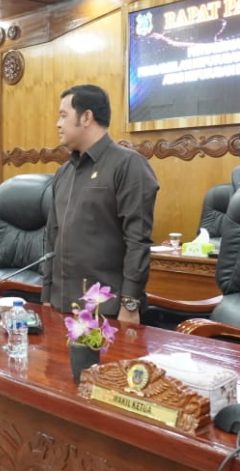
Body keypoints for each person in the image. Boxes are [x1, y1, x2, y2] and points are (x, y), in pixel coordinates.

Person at [42, 85, 159, 322]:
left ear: (86, 117)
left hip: (108, 312)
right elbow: (52, 236)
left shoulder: (128, 165)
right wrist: (46, 294)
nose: (58, 123)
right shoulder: (63, 172)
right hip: (61, 306)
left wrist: (129, 303)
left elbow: (137, 240)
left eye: (63, 115)